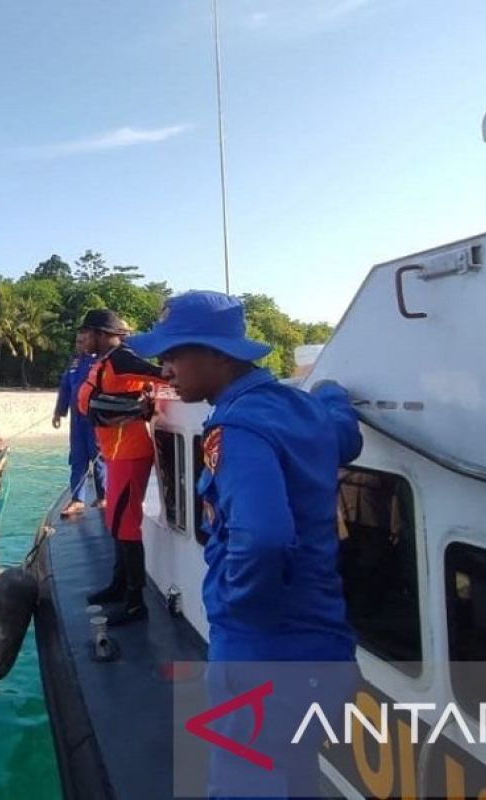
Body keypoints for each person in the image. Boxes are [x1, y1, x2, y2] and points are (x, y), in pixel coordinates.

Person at [128, 290, 362, 797]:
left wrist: (240, 615)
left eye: (174, 352)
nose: (163, 366)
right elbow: (346, 435)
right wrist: (331, 393)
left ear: (217, 354)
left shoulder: (234, 428)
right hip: (326, 649)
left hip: (265, 653)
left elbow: (263, 540)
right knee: (295, 780)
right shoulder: (299, 411)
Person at [76, 309, 163, 625]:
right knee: (116, 520)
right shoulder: (106, 360)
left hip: (130, 452)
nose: (82, 339)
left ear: (101, 333)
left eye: (86, 332)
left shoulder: (122, 359)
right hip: (115, 452)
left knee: (126, 525)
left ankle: (135, 602)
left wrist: (150, 398)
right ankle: (117, 585)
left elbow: (160, 374)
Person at [54, 330, 107, 517]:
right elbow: (65, 388)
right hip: (76, 422)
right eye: (77, 342)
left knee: (98, 459)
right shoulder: (74, 365)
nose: (79, 345)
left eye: (82, 341)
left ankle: (104, 495)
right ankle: (77, 499)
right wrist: (59, 412)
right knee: (77, 459)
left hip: (94, 419)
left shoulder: (101, 362)